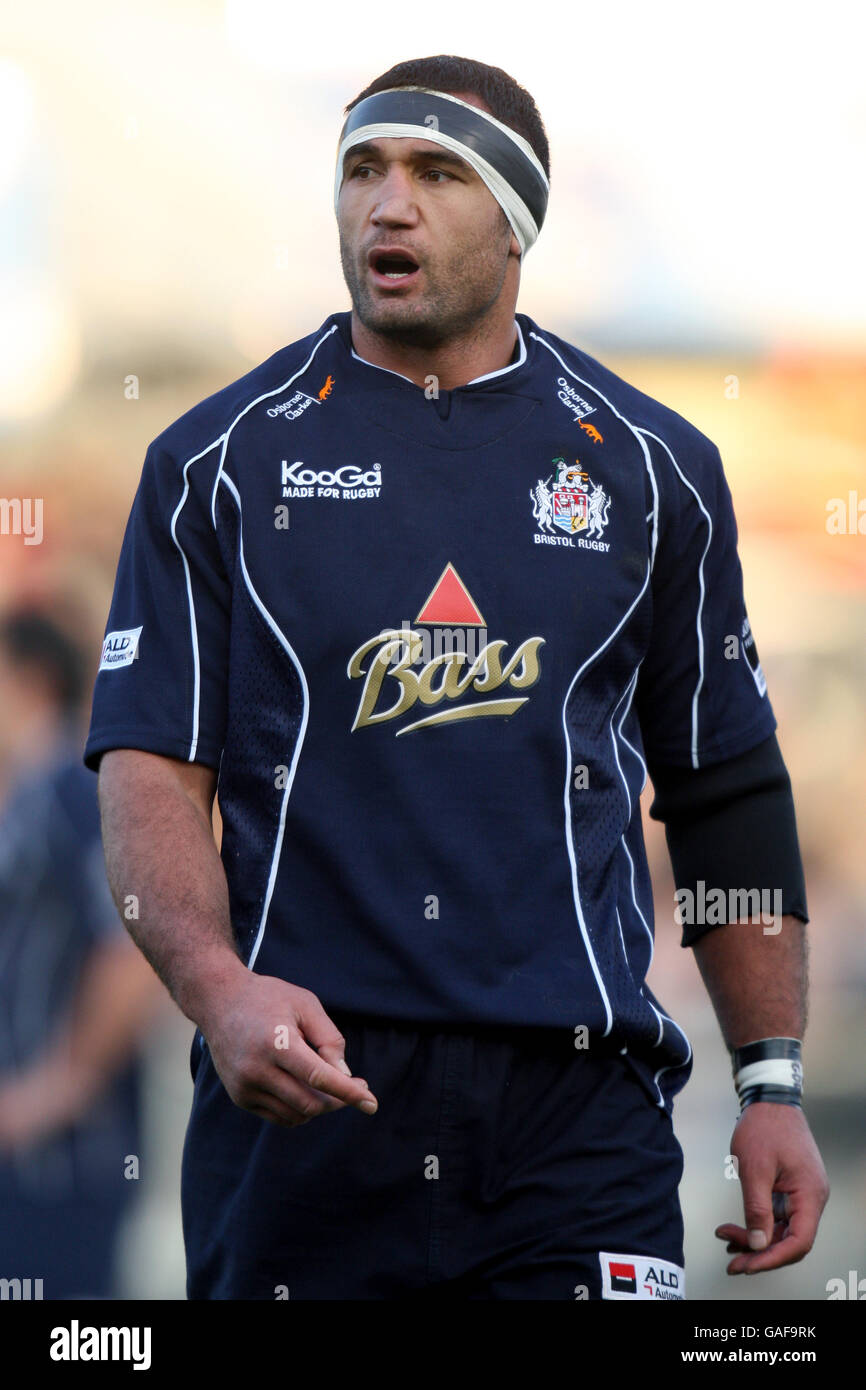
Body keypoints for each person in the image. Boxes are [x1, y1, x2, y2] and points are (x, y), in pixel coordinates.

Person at [83, 54, 829, 1300]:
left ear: (517, 219)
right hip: (305, 1095)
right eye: (362, 171)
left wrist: (770, 1083)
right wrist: (220, 993)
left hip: (574, 1110)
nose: (387, 204)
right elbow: (154, 763)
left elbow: (725, 788)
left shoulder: (653, 467)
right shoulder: (214, 462)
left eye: (437, 172)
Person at [0, 608, 162, 1298]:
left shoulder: (70, 789)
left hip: (63, 1164)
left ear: (30, 680)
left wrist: (56, 1089)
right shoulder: (31, 799)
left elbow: (133, 945)